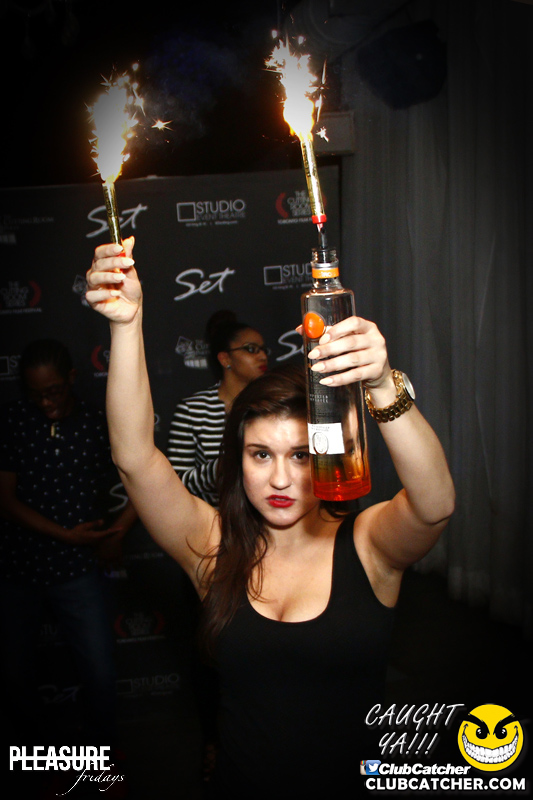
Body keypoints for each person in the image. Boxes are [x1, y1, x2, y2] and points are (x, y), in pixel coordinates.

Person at [86, 238, 455, 799]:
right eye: (261, 455)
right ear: (238, 460)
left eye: (300, 456)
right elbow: (135, 459)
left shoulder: (367, 544)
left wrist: (382, 386)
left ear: (325, 455)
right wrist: (126, 323)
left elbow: (434, 505)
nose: (280, 479)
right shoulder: (211, 544)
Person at [0, 338, 136, 753]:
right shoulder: (13, 420)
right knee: (15, 675)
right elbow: (5, 500)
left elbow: (145, 481)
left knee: (100, 672)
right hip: (17, 570)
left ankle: (101, 761)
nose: (46, 402)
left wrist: (117, 533)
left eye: (54, 391)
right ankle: (38, 762)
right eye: (36, 394)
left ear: (72, 379)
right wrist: (67, 535)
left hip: (78, 571)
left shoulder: (95, 422)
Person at [167, 309, 269, 506]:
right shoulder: (192, 410)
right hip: (211, 519)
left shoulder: (272, 406)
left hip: (268, 518)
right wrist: (222, 468)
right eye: (251, 349)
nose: (263, 356)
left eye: (264, 349)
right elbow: (173, 483)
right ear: (225, 359)